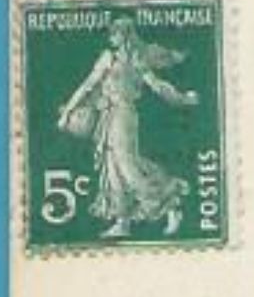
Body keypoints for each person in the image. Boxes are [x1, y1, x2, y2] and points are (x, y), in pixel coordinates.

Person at [56, 17, 197, 238]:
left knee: (128, 167)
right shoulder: (107, 57)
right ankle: (122, 222)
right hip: (107, 117)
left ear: (126, 35)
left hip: (124, 116)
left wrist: (181, 98)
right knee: (112, 168)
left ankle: (169, 204)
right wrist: (67, 112)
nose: (111, 37)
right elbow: (87, 86)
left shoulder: (136, 59)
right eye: (111, 33)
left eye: (116, 33)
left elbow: (157, 85)